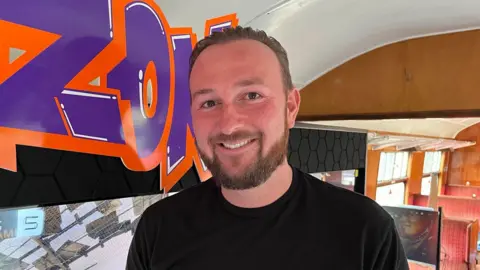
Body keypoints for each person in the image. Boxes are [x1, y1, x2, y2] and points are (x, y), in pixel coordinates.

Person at [126, 26, 409, 270]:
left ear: (290, 107)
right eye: (209, 102)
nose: (229, 125)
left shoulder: (366, 232)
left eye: (251, 96)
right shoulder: (157, 230)